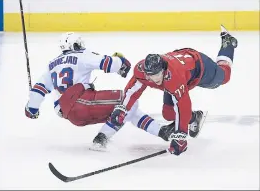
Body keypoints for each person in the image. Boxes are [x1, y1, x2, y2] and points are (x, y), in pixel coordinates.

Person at [94, 25, 238, 155]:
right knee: (168, 114)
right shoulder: (142, 72)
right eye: (150, 76)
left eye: (157, 75)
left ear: (163, 70)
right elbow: (132, 90)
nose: (153, 79)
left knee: (225, 76)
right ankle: (196, 117)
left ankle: (228, 44)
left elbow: (183, 104)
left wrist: (181, 134)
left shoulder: (173, 77)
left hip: (199, 66)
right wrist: (123, 109)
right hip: (181, 65)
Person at [25, 32, 175, 147]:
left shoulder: (52, 65)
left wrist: (31, 109)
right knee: (127, 102)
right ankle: (102, 138)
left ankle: (161, 131)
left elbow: (38, 90)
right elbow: (111, 64)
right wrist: (120, 60)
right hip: (81, 102)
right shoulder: (81, 55)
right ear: (75, 45)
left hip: (69, 114)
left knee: (125, 112)